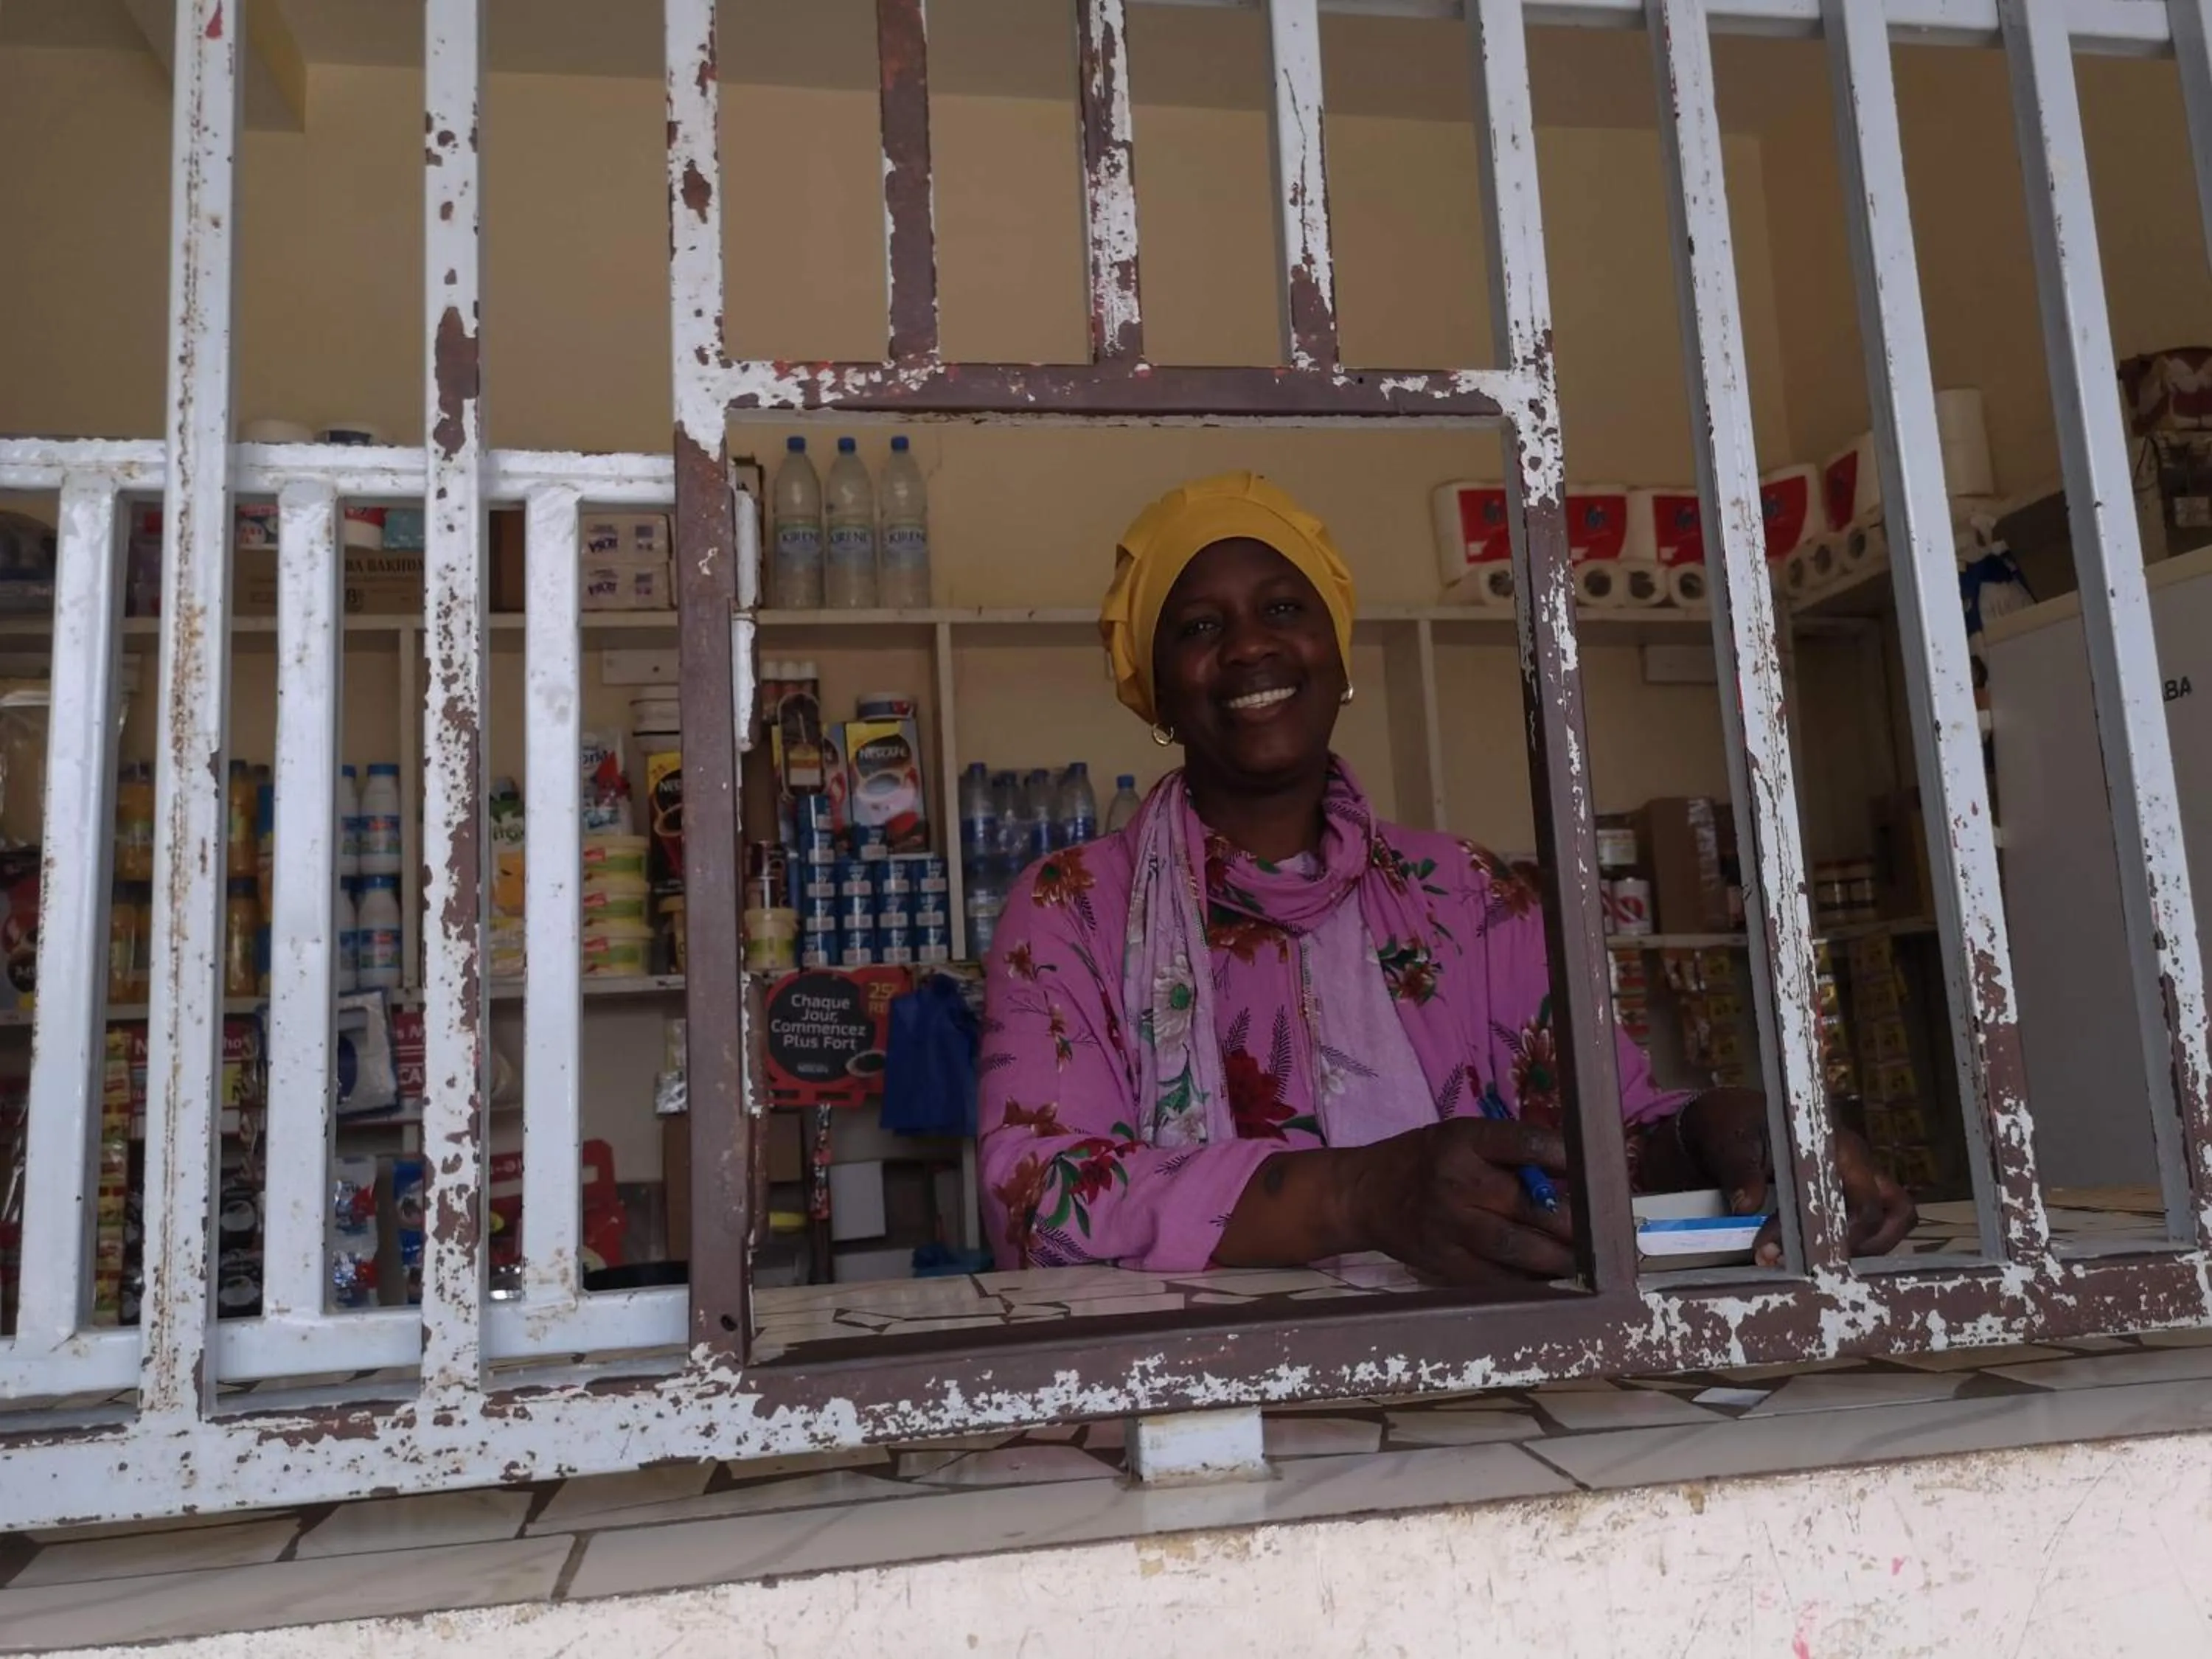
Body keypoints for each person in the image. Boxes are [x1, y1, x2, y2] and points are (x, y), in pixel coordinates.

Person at [976, 473, 1914, 1283]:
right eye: (1199, 626)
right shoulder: (1072, 908)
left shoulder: (1466, 892)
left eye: (1285, 609)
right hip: (1207, 1414)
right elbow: (1032, 1197)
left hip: (1472, 1390)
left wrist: (1725, 1129)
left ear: (1337, 656)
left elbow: (1608, 1133)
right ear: (1157, 689)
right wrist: (1354, 1196)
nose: (1250, 646)